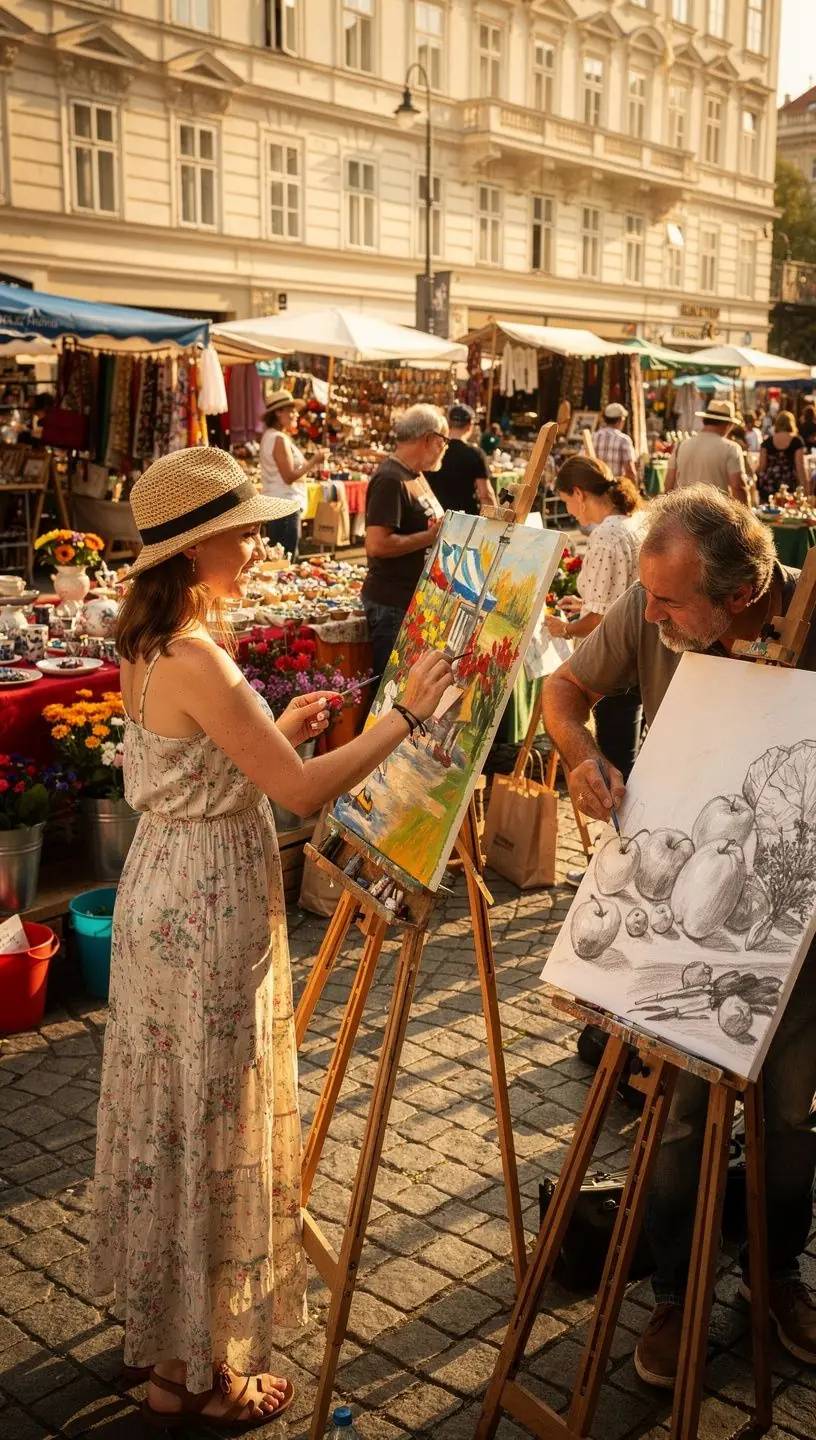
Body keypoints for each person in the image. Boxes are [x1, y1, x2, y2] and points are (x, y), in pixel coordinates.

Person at [89, 447, 452, 1427]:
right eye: (241, 531)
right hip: (204, 905)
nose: (257, 544)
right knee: (210, 1125)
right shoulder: (195, 654)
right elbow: (295, 790)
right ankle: (192, 1375)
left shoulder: (156, 638)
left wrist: (278, 725)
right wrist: (407, 716)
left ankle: (169, 1335)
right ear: (196, 544)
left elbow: (215, 756)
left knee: (177, 1118)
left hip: (170, 886)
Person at [542, 485, 816, 1389]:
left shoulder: (811, 612)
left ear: (738, 596)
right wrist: (583, 759)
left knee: (786, 1112)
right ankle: (672, 1289)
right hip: (680, 899)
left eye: (668, 603)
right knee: (679, 1114)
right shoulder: (650, 605)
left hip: (797, 923)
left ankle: (776, 1277)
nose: (649, 614)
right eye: (649, 599)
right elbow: (562, 690)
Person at [544, 455, 647, 781]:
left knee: (617, 759)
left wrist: (566, 628)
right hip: (638, 654)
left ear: (579, 493)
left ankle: (626, 827)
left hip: (612, 661)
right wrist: (585, 602)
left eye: (567, 502)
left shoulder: (605, 535)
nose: (571, 512)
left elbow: (602, 619)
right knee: (631, 745)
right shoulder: (633, 521)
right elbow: (620, 595)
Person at [362, 403, 446, 676]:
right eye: (444, 441)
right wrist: (430, 536)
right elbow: (377, 544)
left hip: (412, 600)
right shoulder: (390, 479)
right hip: (393, 604)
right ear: (429, 439)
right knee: (391, 688)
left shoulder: (414, 476)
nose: (445, 449)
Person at [258, 390, 327, 558]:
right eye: (291, 410)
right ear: (278, 412)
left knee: (279, 556)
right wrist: (314, 461)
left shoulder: (270, 437)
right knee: (286, 557)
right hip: (285, 505)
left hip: (279, 503)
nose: (295, 414)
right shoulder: (278, 439)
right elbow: (288, 476)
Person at [664, 399, 749, 504]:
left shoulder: (681, 446)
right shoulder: (730, 448)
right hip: (715, 513)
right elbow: (738, 487)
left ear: (705, 420)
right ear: (727, 425)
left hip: (684, 512)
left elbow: (669, 483)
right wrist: (746, 515)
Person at [428, 403, 498, 516]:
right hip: (464, 521)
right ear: (470, 426)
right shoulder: (475, 453)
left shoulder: (434, 449)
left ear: (448, 423)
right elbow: (486, 495)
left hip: (435, 518)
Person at [758, 409, 808, 500]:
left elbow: (762, 467)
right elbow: (800, 468)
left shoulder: (766, 443)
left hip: (769, 485)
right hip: (789, 486)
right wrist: (805, 489)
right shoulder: (796, 441)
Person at [592, 403, 639, 483]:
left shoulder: (592, 437)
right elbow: (630, 472)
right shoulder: (624, 440)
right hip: (614, 487)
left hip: (595, 486)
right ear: (620, 420)